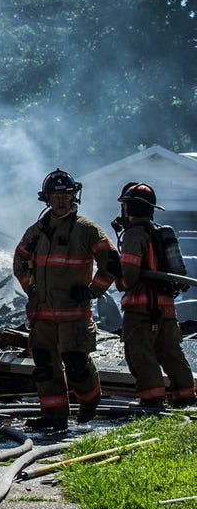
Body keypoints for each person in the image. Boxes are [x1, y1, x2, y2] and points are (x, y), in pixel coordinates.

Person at [13, 168, 121, 432]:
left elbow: (112, 263)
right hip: (42, 317)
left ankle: (90, 400)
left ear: (74, 197)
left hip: (74, 315)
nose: (61, 201)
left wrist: (93, 290)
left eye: (67, 196)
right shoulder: (35, 232)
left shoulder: (87, 230)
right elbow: (19, 263)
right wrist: (33, 290)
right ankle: (54, 417)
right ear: (46, 199)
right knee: (45, 368)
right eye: (55, 196)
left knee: (77, 367)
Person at [111, 182, 194, 408]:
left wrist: (115, 273)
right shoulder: (159, 232)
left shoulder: (133, 235)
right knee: (170, 353)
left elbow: (129, 277)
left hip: (141, 310)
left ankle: (152, 400)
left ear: (127, 208)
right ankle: (186, 397)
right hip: (166, 308)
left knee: (140, 354)